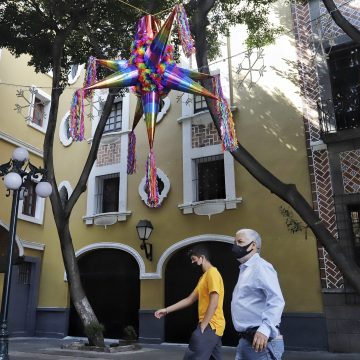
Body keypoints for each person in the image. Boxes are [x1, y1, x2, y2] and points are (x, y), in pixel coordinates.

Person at [155, 245, 225, 360]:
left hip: (211, 325)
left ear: (202, 257)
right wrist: (166, 310)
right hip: (213, 327)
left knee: (192, 356)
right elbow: (189, 299)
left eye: (194, 259)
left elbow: (214, 301)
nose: (192, 262)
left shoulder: (212, 273)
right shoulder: (203, 277)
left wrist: (204, 324)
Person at [231, 229, 285, 360]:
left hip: (261, 342)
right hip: (247, 341)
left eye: (240, 242)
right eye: (235, 242)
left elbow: (277, 301)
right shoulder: (245, 269)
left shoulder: (261, 267)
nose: (235, 246)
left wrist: (265, 329)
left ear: (253, 245)